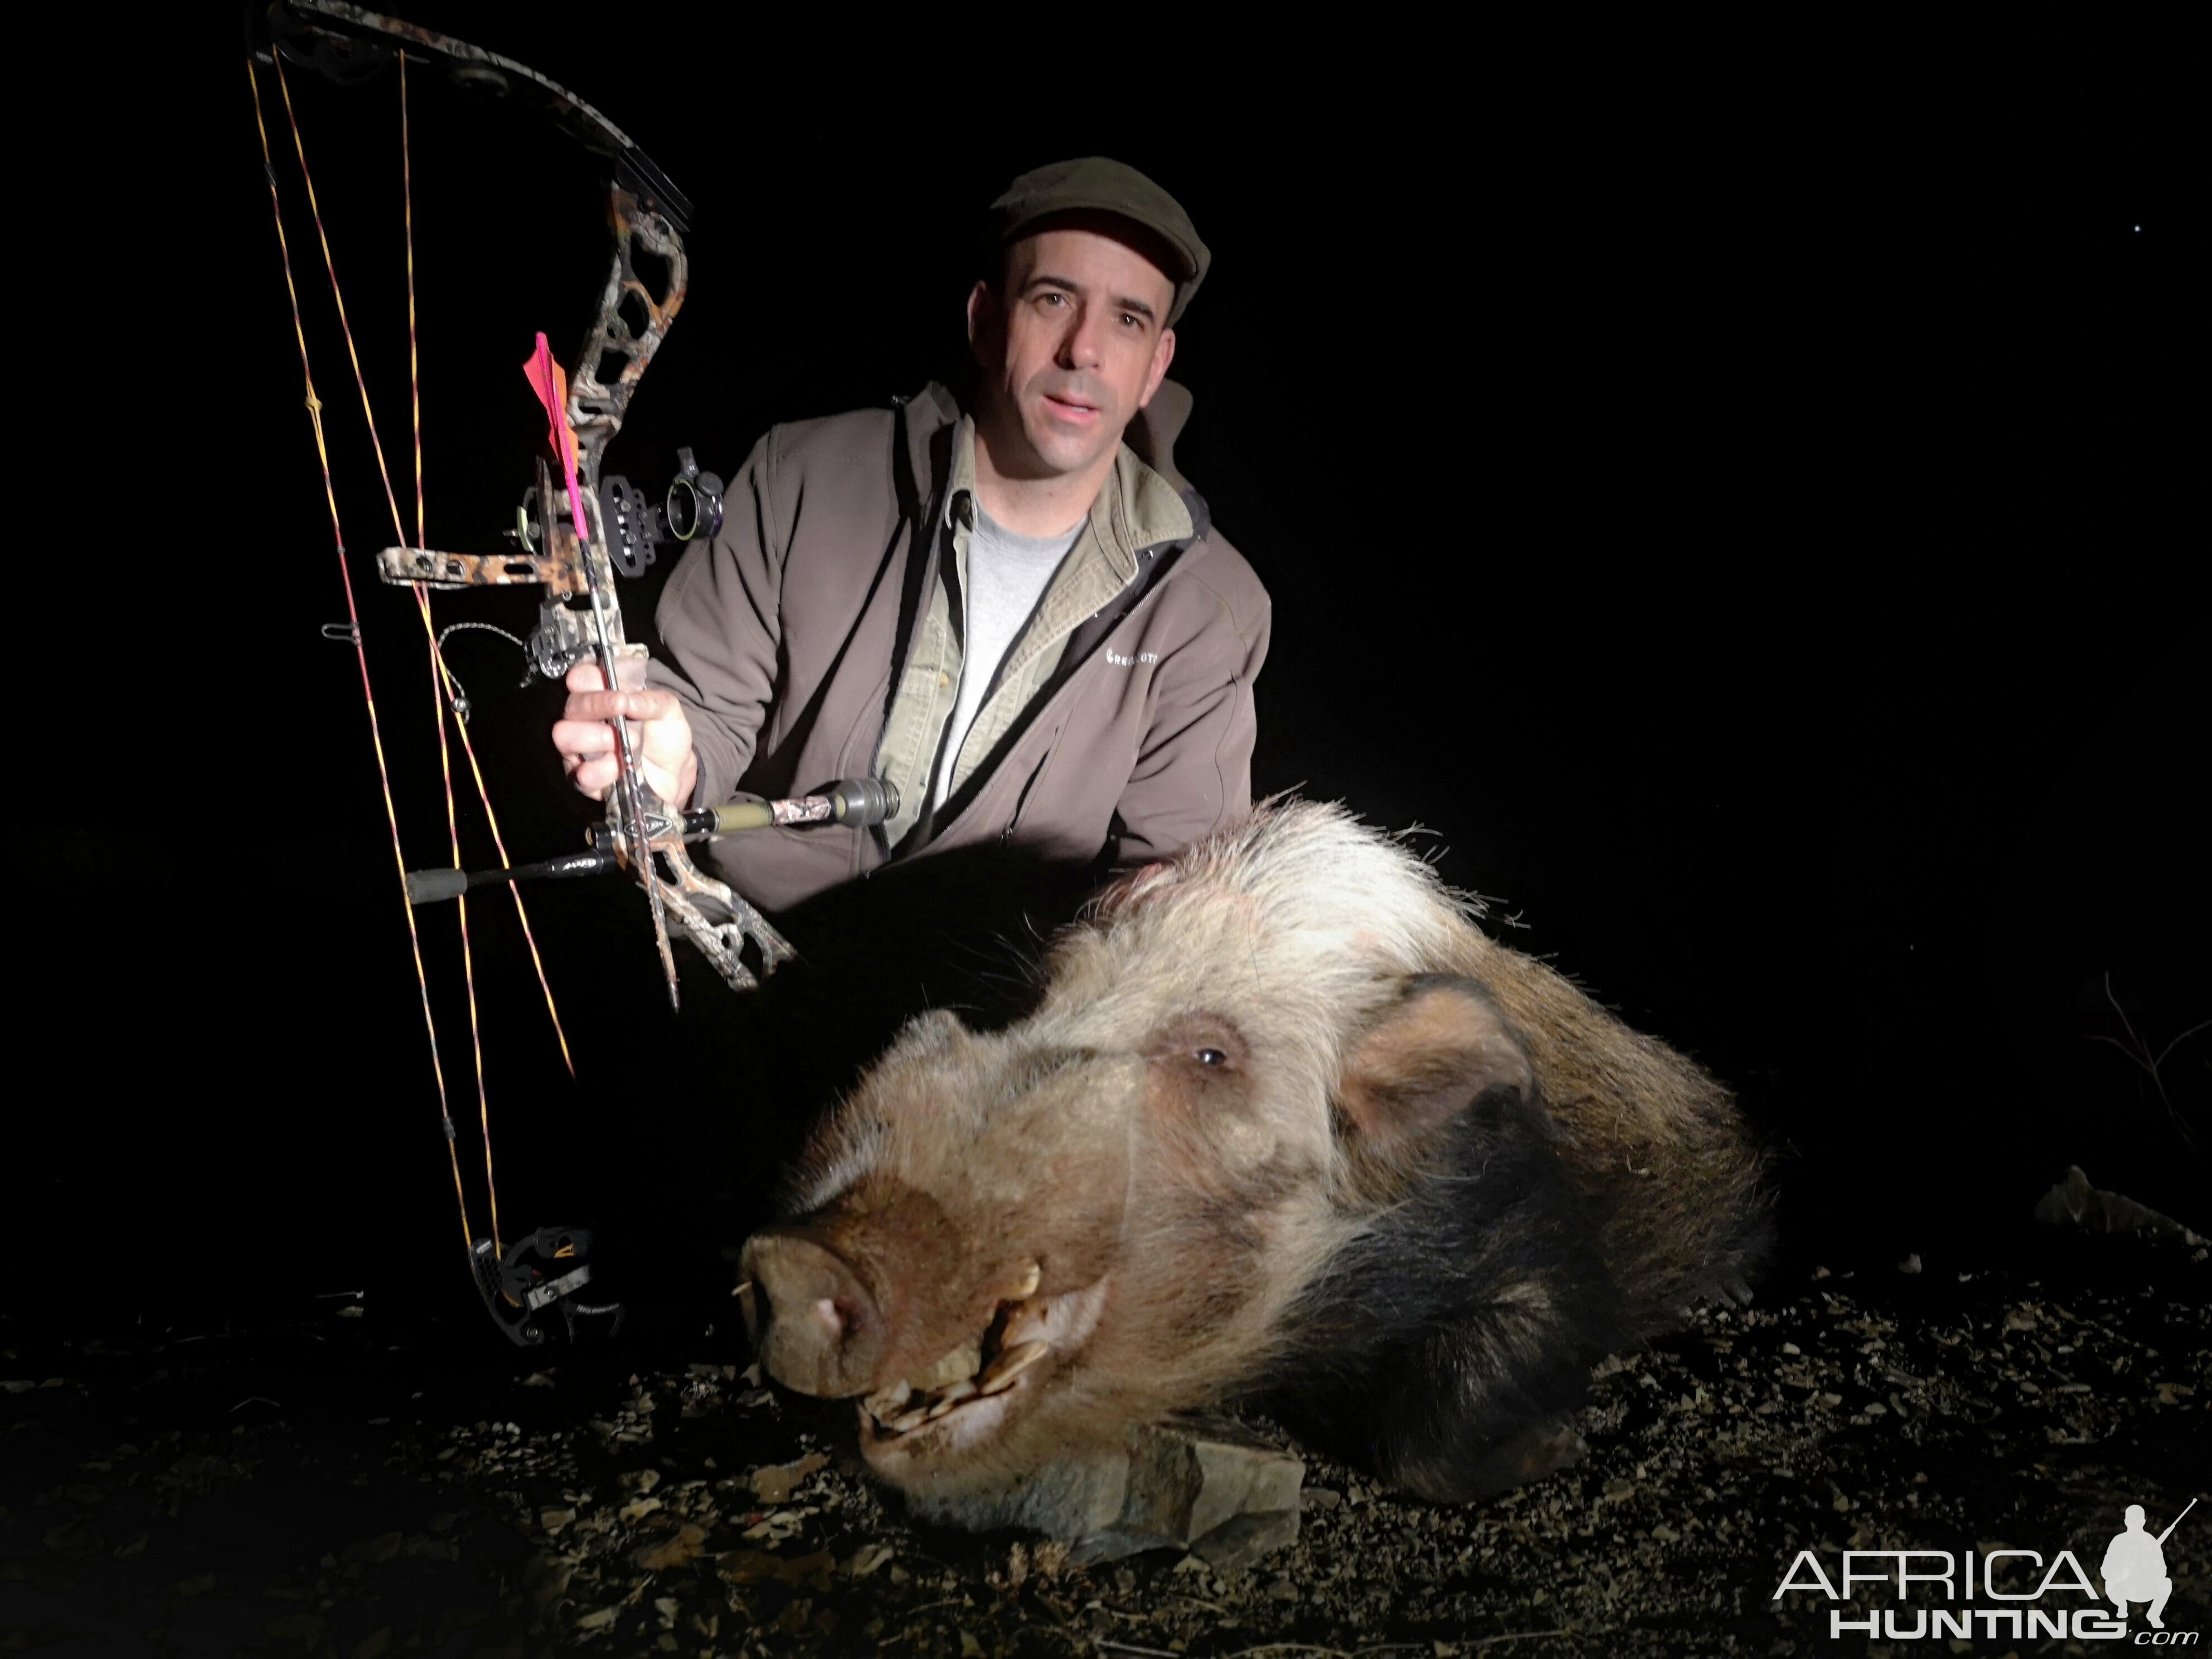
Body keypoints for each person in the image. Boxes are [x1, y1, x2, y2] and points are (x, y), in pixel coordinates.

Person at [554, 158, 1269, 913]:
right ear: (987, 322)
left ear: (1157, 364)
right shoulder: (803, 473)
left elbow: (1180, 884)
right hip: (768, 963)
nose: (1084, 351)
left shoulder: (1212, 606)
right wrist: (668, 757)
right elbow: (705, 709)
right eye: (1054, 298)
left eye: (1128, 319)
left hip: (1011, 1017)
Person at [2101, 1503, 2174, 1628]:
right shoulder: (2119, 1541)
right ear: (2143, 1522)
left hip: (2144, 1589)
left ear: (2126, 1522)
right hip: (2124, 1589)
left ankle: (2154, 1614)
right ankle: (2122, 1606)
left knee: (2167, 1583)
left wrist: (2147, 1566)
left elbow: (2163, 1572)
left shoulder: (2150, 1542)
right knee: (2109, 1583)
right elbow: (2106, 1571)